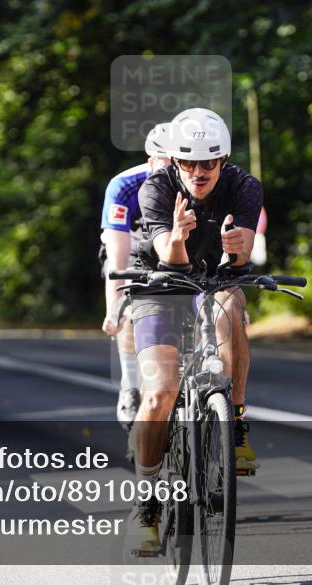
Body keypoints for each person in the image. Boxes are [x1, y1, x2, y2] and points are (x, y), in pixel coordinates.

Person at [125, 108, 263, 555]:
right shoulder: (156, 188)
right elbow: (168, 255)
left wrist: (238, 251)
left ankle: (235, 424)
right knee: (160, 393)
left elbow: (240, 263)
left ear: (223, 159)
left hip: (214, 279)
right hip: (160, 283)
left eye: (209, 163)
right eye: (189, 163)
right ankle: (146, 505)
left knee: (233, 302)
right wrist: (179, 236)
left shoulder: (244, 187)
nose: (199, 173)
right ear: (176, 162)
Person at [100, 124, 172, 428]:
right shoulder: (125, 185)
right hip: (130, 249)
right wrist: (113, 308)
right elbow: (117, 255)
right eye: (162, 162)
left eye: (176, 163)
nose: (169, 171)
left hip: (170, 251)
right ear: (150, 158)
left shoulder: (192, 182)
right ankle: (130, 386)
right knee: (131, 306)